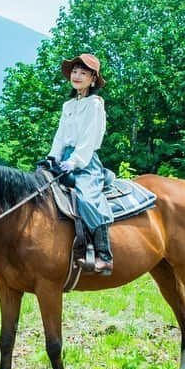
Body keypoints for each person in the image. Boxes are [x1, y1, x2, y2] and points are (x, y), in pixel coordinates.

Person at [47, 53, 114, 274]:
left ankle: (104, 254)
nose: (77, 76)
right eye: (74, 71)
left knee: (86, 197)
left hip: (85, 162)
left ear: (93, 78)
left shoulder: (95, 104)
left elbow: (89, 138)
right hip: (64, 157)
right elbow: (60, 135)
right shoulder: (68, 105)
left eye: (83, 73)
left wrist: (73, 162)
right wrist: (52, 158)